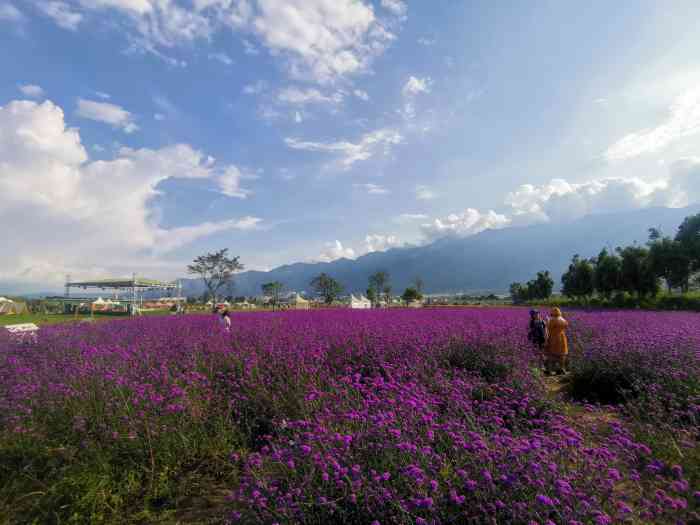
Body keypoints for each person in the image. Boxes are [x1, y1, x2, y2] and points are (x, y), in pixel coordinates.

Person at [544, 307, 569, 375]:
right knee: (562, 354)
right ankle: (562, 369)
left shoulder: (551, 320)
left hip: (553, 338)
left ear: (553, 312)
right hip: (562, 337)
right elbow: (566, 326)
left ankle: (550, 370)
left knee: (552, 354)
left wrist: (547, 320)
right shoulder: (563, 320)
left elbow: (547, 329)